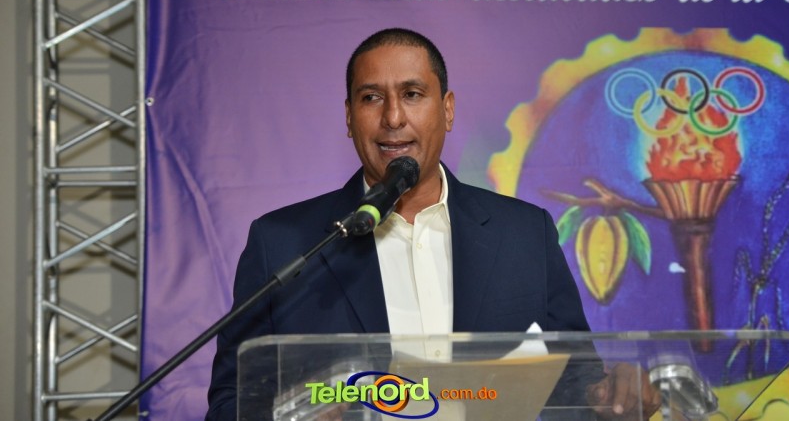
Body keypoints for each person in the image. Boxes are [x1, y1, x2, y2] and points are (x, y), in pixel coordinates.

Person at [206, 28, 660, 420]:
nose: (393, 117)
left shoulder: (524, 235)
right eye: (371, 98)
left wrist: (608, 396)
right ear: (349, 117)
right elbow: (230, 402)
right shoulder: (284, 243)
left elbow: (576, 380)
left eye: (412, 94)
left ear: (447, 109)